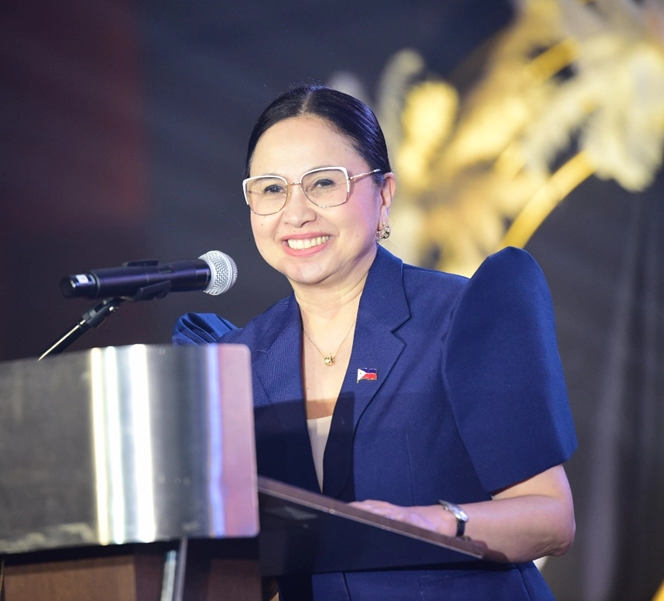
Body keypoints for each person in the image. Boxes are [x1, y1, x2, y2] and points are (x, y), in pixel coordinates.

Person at [173, 85, 577, 600]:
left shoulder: (461, 315)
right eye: (272, 190)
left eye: (323, 183)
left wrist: (416, 524)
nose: (295, 213)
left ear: (384, 193)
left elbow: (551, 518)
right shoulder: (239, 360)